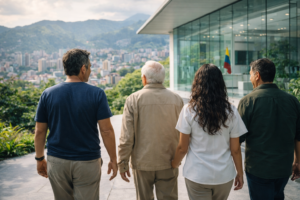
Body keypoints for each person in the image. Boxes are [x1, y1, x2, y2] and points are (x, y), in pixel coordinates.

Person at [34, 49, 118, 200]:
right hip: (87, 161)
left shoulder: (48, 94)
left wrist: (40, 159)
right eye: (90, 67)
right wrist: (113, 159)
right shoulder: (97, 93)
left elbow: (39, 132)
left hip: (57, 161)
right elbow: (106, 131)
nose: (90, 71)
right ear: (83, 68)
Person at [172, 64, 247, 200]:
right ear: (220, 84)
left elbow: (182, 147)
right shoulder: (231, 111)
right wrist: (240, 173)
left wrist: (174, 163)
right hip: (224, 176)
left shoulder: (188, 110)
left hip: (197, 174)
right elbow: (235, 150)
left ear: (197, 83)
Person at [118, 61, 184, 200]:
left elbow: (127, 136)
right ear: (163, 78)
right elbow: (183, 134)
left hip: (142, 163)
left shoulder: (133, 99)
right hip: (169, 162)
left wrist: (123, 163)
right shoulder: (177, 100)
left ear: (144, 78)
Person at [238, 58, 300, 200]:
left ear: (257, 75)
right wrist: (297, 161)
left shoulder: (248, 101)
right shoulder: (292, 101)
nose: (250, 77)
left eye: (250, 74)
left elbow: (237, 138)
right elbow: (298, 135)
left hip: (258, 170)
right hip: (284, 169)